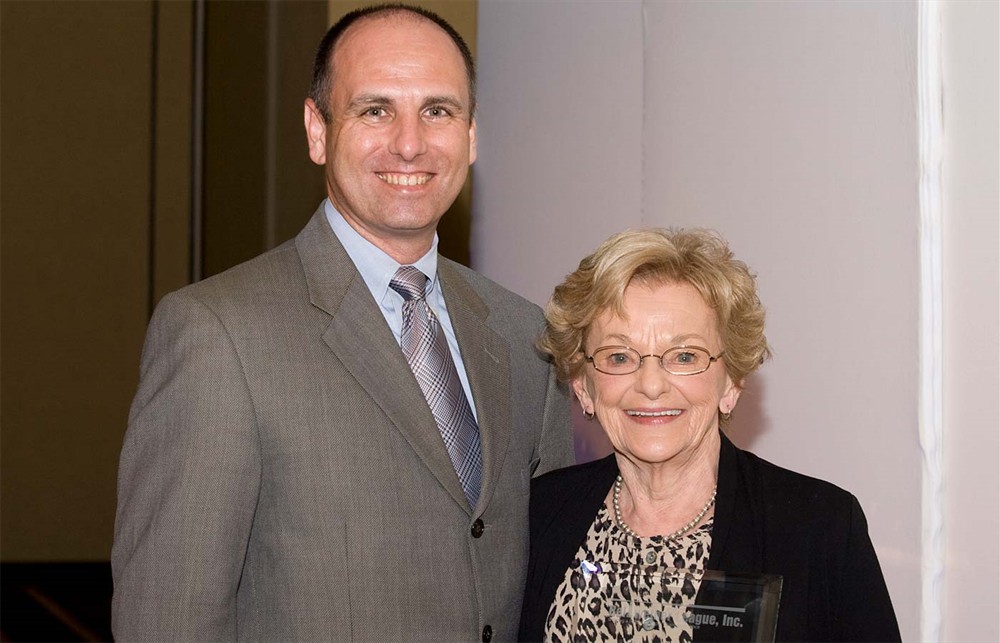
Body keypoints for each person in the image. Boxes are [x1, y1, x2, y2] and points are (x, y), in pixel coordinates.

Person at [111, 5, 573, 641]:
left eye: (437, 110)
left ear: (470, 135)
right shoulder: (217, 335)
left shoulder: (524, 338)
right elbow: (168, 617)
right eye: (375, 109)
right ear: (317, 129)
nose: (409, 142)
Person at [518, 229, 900, 642]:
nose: (650, 384)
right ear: (582, 385)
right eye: (619, 356)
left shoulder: (818, 527)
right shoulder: (537, 516)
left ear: (731, 382)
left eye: (684, 356)